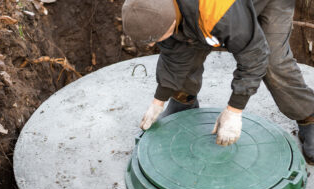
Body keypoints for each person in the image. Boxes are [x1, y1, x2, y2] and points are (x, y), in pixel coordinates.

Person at [122, 0, 314, 164]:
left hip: (266, 3)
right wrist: (159, 99)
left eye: (156, 38)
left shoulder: (216, 12)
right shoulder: (153, 6)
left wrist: (234, 110)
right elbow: (174, 54)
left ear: (171, 18)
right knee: (182, 42)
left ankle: (309, 116)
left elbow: (254, 55)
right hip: (211, 11)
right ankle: (182, 101)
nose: (152, 45)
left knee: (274, 63)